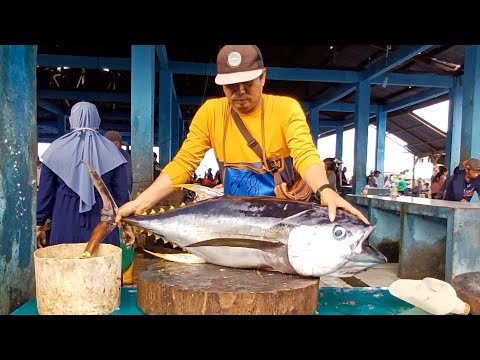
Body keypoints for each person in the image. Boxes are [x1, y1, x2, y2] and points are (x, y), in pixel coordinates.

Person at [114, 45, 368, 226]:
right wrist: (141, 203)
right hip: (234, 218)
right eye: (231, 86)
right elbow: (183, 164)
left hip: (282, 217)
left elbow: (305, 154)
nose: (241, 92)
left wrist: (325, 190)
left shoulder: (285, 109)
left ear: (263, 77)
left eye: (248, 82)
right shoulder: (211, 113)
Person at [36, 102, 135, 249]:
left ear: (72, 119)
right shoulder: (113, 152)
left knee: (65, 264)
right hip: (103, 218)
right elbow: (121, 194)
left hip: (64, 216)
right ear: (97, 120)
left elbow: (45, 193)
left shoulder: (55, 150)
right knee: (102, 264)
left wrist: (40, 224)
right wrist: (127, 226)